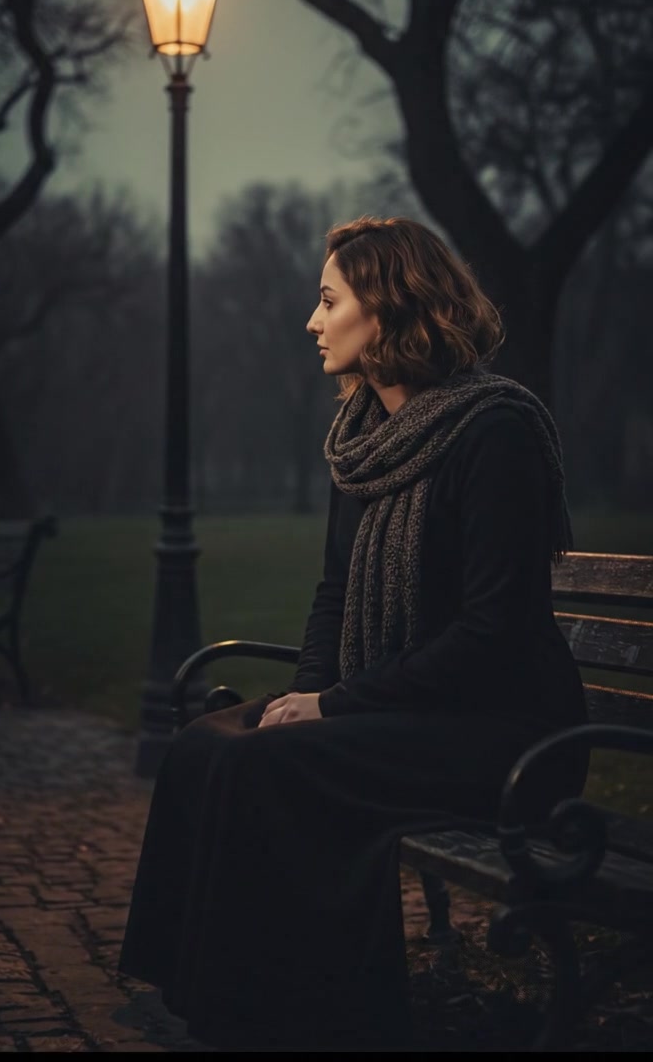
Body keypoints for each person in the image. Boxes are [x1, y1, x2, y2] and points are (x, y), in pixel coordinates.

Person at [117, 215, 589, 1052]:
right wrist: (308, 691)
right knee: (205, 743)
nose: (312, 319)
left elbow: (492, 634)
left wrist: (335, 704)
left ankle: (309, 1019)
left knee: (273, 762)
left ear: (391, 308)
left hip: (506, 733)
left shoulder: (495, 431)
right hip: (405, 709)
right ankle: (193, 993)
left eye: (329, 299)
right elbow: (334, 595)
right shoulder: (364, 440)